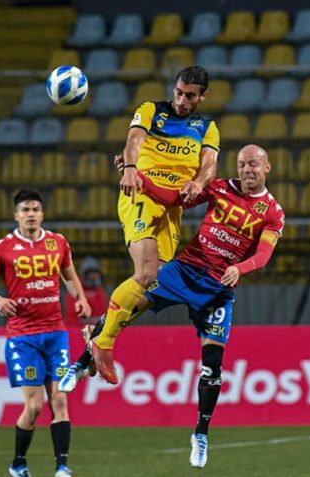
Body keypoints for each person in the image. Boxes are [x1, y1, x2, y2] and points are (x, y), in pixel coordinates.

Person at [61, 145, 285, 469]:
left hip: (219, 288)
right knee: (129, 306)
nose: (246, 169)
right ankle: (82, 363)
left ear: (268, 168)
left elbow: (263, 255)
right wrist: (134, 172)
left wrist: (242, 268)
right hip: (184, 270)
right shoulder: (221, 187)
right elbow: (174, 197)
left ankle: (201, 434)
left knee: (212, 365)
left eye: (253, 164)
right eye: (241, 164)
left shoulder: (272, 212)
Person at [91, 65, 221, 385]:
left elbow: (209, 166)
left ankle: (100, 328)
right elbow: (134, 139)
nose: (181, 100)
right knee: (147, 271)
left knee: (153, 283)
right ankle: (103, 342)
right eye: (178, 92)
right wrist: (131, 168)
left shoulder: (206, 127)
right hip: (141, 192)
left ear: (202, 97)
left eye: (190, 95)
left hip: (172, 207)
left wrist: (199, 183)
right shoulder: (152, 110)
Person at [0, 189, 91, 477]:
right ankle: (18, 463)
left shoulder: (58, 243)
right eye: (25, 210)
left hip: (55, 333)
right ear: (16, 216)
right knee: (35, 406)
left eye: (35, 209)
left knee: (60, 399)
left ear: (42, 214)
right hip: (23, 336)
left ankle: (62, 467)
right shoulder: (2, 248)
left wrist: (80, 298)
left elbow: (69, 275)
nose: (31, 214)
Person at [63, 255, 108, 328]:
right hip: (76, 331)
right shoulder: (75, 289)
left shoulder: (100, 290)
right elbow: (72, 317)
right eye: (91, 274)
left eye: (95, 274)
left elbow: (102, 312)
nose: (94, 277)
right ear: (84, 274)